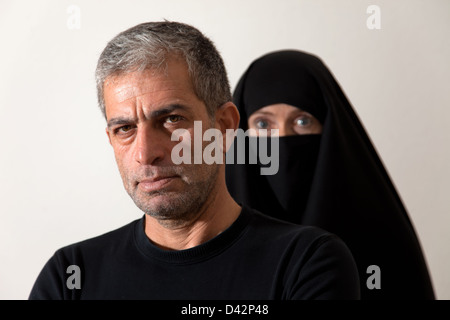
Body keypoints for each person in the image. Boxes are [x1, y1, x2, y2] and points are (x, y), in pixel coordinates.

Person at [28, 22, 360, 300]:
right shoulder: (70, 275)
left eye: (171, 120)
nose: (146, 153)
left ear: (226, 125)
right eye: (125, 128)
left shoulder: (306, 262)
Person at [225, 49, 435, 300]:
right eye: (263, 124)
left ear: (330, 127)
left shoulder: (380, 234)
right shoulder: (209, 232)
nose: (282, 138)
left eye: (302, 121)